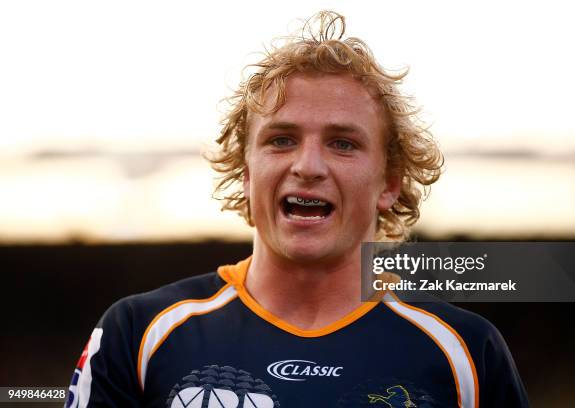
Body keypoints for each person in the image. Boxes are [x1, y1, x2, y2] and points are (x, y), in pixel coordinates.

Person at [66, 11, 528, 407]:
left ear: (388, 183)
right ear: (246, 174)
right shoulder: (138, 333)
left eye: (343, 143)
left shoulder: (465, 352)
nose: (308, 166)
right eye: (281, 140)